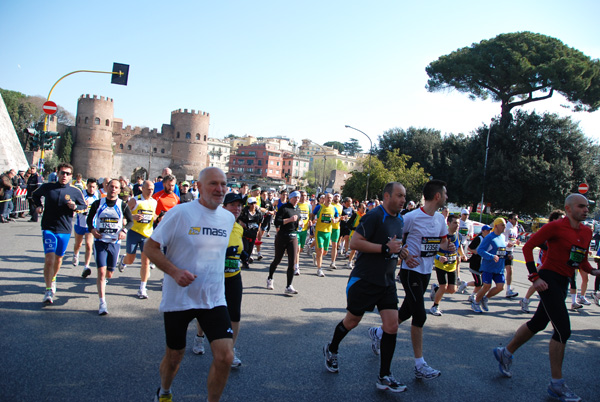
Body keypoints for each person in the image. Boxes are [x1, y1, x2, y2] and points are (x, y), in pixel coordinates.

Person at [493, 194, 600, 402]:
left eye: (587, 207)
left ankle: (505, 352)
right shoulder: (555, 227)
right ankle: (556, 384)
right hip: (548, 279)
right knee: (563, 330)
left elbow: (581, 258)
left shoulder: (587, 231)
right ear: (568, 209)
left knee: (538, 322)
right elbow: (527, 247)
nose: (585, 210)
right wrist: (534, 277)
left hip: (565, 281)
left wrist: (594, 272)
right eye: (581, 206)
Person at [144, 167, 235, 402]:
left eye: (223, 184)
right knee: (174, 357)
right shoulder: (180, 213)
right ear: (198, 187)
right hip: (180, 298)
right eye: (213, 184)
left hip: (213, 298)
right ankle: (164, 392)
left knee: (225, 356)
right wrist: (174, 272)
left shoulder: (228, 217)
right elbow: (150, 248)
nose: (220, 189)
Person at [323, 182, 408, 393]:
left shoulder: (400, 220)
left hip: (387, 282)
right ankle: (332, 349)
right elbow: (354, 242)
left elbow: (393, 245)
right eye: (399, 196)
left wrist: (401, 251)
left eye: (404, 196)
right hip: (365, 280)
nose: (403, 200)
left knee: (392, 325)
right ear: (387, 196)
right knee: (352, 321)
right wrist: (384, 248)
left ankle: (384, 376)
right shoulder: (373, 216)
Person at [370, 179, 451, 381]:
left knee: (407, 310)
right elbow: (396, 240)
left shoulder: (441, 219)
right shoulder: (412, 217)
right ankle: (419, 364)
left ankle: (378, 333)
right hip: (410, 272)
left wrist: (446, 248)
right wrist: (404, 254)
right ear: (437, 196)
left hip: (425, 272)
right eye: (445, 194)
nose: (447, 197)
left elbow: (441, 242)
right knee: (420, 316)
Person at [193, 192, 245, 368]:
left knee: (235, 315)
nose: (237, 209)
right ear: (224, 207)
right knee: (206, 308)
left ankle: (231, 350)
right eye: (233, 205)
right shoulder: (214, 224)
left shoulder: (239, 227)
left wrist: (242, 255)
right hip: (214, 276)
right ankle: (199, 337)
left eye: (239, 205)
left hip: (233, 276)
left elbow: (238, 248)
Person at [31, 163, 87, 304]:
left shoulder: (75, 191)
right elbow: (34, 195)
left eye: (68, 174)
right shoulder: (48, 187)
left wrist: (75, 207)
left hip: (64, 229)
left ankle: (54, 277)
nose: (64, 176)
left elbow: (84, 206)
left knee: (58, 259)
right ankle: (48, 289)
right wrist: (38, 206)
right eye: (62, 173)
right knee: (49, 259)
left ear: (71, 176)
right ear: (58, 173)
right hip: (48, 227)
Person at [87, 179, 134, 315]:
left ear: (119, 190)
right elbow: (89, 220)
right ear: (107, 188)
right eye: (111, 186)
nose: (113, 189)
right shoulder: (98, 203)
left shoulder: (122, 205)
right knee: (101, 273)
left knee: (109, 274)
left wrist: (124, 230)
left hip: (114, 243)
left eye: (116, 187)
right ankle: (102, 303)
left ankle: (110, 274)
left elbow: (130, 221)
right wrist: (92, 229)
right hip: (100, 241)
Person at [519, 210, 565, 313]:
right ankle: (525, 300)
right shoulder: (548, 228)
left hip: (557, 262)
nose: (563, 220)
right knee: (539, 281)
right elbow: (534, 242)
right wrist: (548, 248)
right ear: (554, 219)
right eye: (561, 218)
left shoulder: (563, 230)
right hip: (545, 259)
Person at [117, 180, 157, 298]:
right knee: (131, 260)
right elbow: (123, 213)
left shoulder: (154, 202)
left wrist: (158, 218)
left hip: (147, 235)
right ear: (142, 188)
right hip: (134, 233)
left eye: (152, 189)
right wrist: (132, 216)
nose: (150, 191)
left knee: (146, 262)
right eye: (148, 189)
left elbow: (153, 215)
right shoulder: (135, 200)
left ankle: (142, 288)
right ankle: (124, 260)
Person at [429, 214, 467, 316]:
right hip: (441, 264)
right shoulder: (441, 235)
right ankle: (435, 306)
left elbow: (459, 247)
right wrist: (438, 257)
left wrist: (463, 255)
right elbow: (432, 249)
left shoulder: (458, 235)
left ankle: (436, 289)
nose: (457, 225)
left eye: (458, 223)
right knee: (444, 286)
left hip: (452, 265)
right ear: (448, 223)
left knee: (452, 290)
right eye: (455, 223)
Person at [267, 191, 302, 294]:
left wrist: (300, 223)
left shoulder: (298, 209)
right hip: (282, 236)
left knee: (292, 263)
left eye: (298, 198)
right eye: (295, 197)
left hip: (293, 236)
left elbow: (298, 220)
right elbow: (277, 222)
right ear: (290, 198)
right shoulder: (284, 208)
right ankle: (270, 278)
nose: (297, 200)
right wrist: (290, 219)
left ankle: (289, 286)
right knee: (277, 259)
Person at [471, 218, 508, 313]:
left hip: (499, 268)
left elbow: (501, 252)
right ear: (496, 226)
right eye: (503, 225)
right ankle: (476, 302)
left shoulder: (502, 237)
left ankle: (485, 298)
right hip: (488, 267)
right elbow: (480, 250)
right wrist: (492, 256)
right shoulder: (489, 237)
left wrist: (508, 256)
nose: (505, 227)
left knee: (500, 287)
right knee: (487, 286)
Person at [72, 178, 100, 277]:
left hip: (91, 225)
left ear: (96, 187)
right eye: (90, 186)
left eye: (93, 187)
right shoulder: (81, 194)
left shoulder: (98, 196)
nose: (91, 189)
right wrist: (82, 206)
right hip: (80, 223)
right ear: (86, 186)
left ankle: (86, 266)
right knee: (78, 244)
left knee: (89, 245)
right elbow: (75, 206)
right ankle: (76, 255)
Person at [458, 224, 492, 302]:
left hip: (483, 264)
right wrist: (476, 252)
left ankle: (465, 284)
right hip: (475, 263)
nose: (489, 232)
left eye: (490, 230)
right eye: (487, 230)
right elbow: (469, 248)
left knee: (483, 283)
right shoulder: (479, 239)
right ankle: (472, 296)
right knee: (479, 283)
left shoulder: (489, 240)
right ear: (483, 231)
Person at [311, 193, 339, 277]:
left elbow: (337, 217)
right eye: (328, 198)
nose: (329, 199)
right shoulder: (319, 207)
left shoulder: (334, 208)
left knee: (325, 252)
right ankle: (319, 269)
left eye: (331, 198)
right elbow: (312, 214)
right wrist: (312, 220)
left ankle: (316, 255)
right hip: (319, 231)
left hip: (328, 232)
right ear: (324, 199)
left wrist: (335, 220)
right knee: (320, 249)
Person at [237, 197, 263, 269]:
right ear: (248, 204)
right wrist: (242, 224)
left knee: (250, 249)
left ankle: (246, 261)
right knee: (246, 248)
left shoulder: (258, 213)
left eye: (254, 203)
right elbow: (239, 219)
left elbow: (260, 221)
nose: (253, 205)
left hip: (253, 233)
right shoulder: (244, 212)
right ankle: (244, 261)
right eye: (251, 203)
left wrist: (258, 230)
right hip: (245, 232)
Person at [504, 213, 521, 298]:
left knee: (510, 270)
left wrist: (515, 243)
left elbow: (513, 240)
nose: (516, 221)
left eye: (517, 219)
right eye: (515, 219)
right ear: (510, 220)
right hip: (503, 251)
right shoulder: (506, 227)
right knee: (496, 271)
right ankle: (482, 285)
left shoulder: (515, 228)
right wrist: (507, 244)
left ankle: (508, 289)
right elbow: (502, 239)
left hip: (510, 252)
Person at [295, 190, 312, 275]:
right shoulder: (296, 205)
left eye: (305, 195)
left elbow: (310, 216)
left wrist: (310, 222)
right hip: (296, 230)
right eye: (302, 195)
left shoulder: (308, 205)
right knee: (297, 249)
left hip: (304, 230)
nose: (303, 197)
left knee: (300, 249)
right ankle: (296, 266)